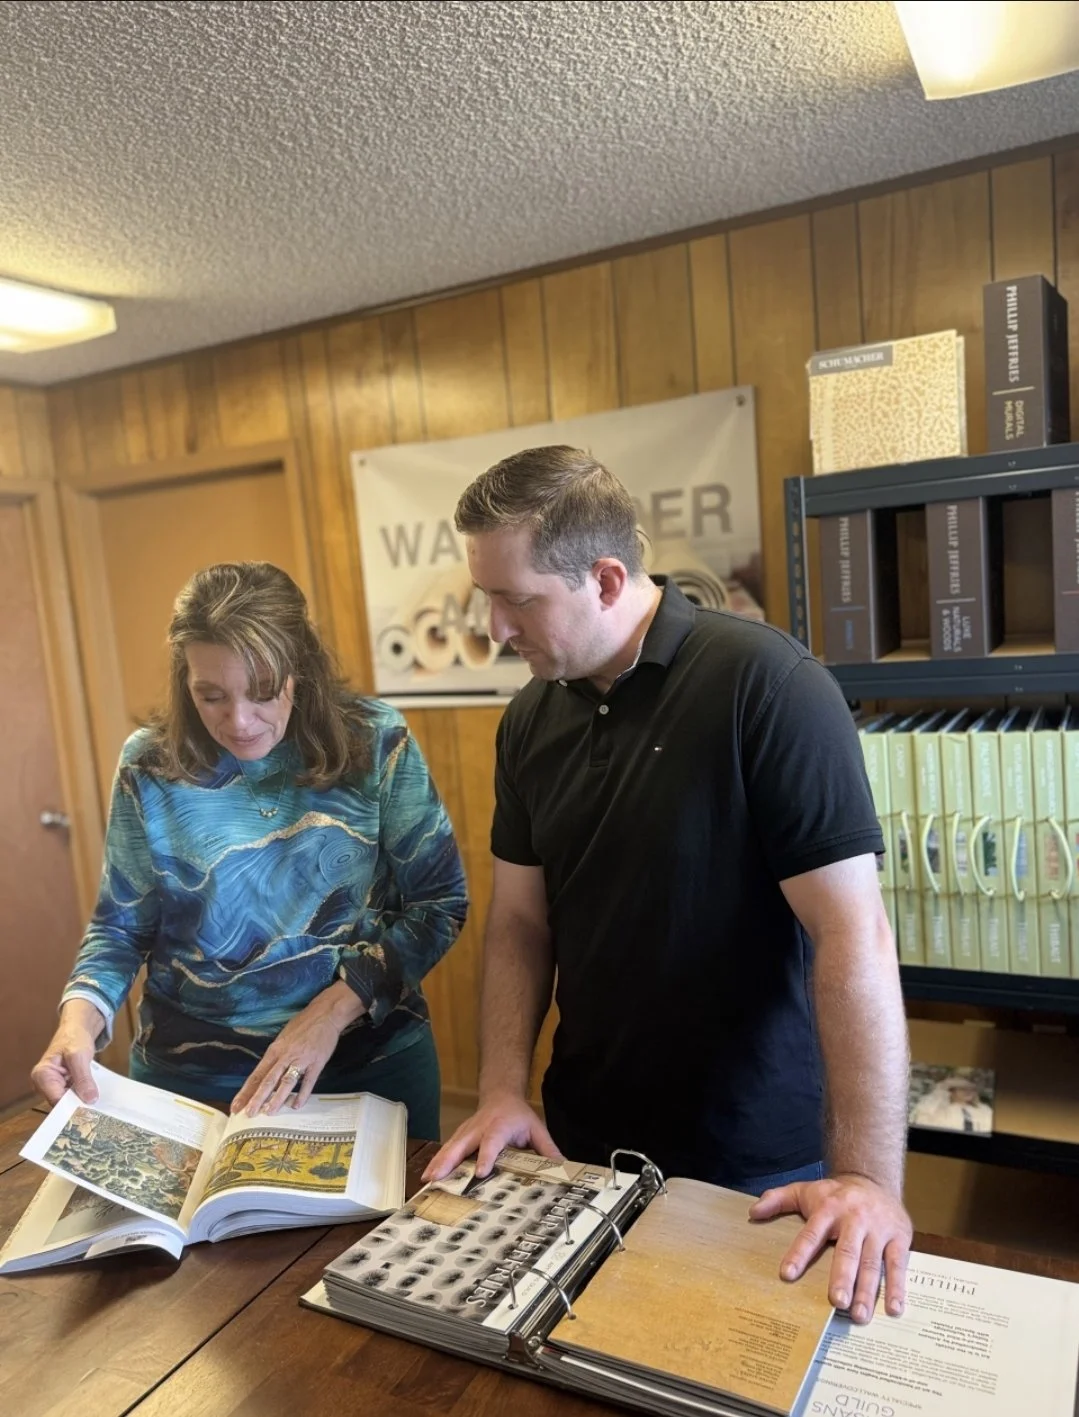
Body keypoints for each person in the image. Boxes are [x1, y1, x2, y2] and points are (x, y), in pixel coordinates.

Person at [425, 445, 912, 1325]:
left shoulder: (768, 687)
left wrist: (867, 1179)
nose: (494, 627)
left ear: (607, 578)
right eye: (484, 596)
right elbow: (520, 925)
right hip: (585, 1145)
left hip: (755, 1161)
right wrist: (501, 1086)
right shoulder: (530, 716)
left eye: (516, 598)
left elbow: (854, 937)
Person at [32, 562, 467, 1138]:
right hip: (193, 1080)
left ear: (300, 670)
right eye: (210, 695)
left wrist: (330, 1012)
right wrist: (79, 1022)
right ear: (184, 678)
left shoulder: (376, 741)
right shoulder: (150, 764)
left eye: (262, 692)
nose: (238, 722)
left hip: (365, 1066)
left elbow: (439, 905)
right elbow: (121, 927)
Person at [910, 1075, 992, 1134]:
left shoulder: (984, 1110)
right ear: (952, 1091)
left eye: (972, 1089)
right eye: (962, 1089)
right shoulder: (942, 1110)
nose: (968, 1092)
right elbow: (923, 1118)